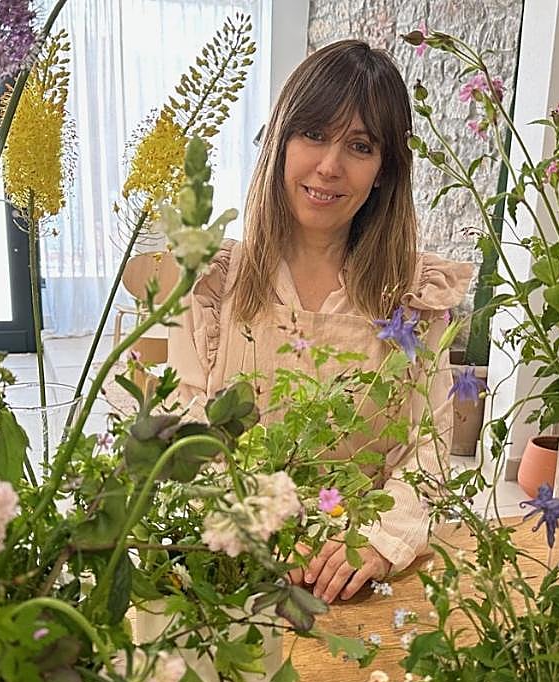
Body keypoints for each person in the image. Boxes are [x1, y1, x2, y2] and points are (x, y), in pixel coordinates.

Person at [169, 39, 471, 603]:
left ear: (383, 171)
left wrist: (380, 541)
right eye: (312, 134)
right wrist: (265, 531)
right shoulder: (213, 282)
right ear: (280, 142)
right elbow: (188, 438)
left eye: (359, 146)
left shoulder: (414, 297)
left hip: (360, 583)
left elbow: (428, 453)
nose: (330, 167)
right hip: (237, 572)